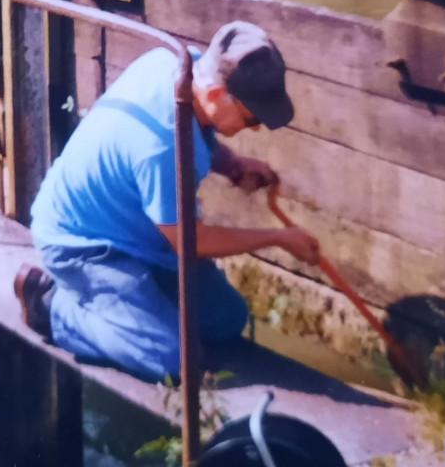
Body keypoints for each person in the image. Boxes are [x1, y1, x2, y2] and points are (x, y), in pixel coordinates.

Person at [16, 20, 322, 383]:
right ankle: (50, 305)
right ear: (214, 95)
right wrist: (277, 238)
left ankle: (139, 303)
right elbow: (191, 241)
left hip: (138, 230)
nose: (255, 128)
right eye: (251, 117)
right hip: (83, 245)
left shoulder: (182, 65)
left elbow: (197, 130)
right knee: (172, 361)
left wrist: (232, 165)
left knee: (227, 321)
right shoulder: (162, 146)